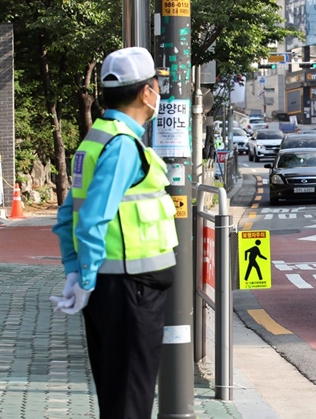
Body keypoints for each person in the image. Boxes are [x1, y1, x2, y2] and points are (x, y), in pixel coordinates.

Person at [50, 47, 179, 419]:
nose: (159, 92)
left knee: (117, 395)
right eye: (158, 84)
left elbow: (65, 217)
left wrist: (76, 273)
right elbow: (91, 219)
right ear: (146, 92)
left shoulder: (96, 139)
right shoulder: (123, 146)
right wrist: (85, 278)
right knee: (130, 401)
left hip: (115, 290)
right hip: (130, 291)